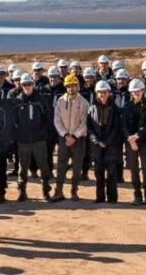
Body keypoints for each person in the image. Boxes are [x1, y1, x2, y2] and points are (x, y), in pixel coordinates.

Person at [11, 73, 52, 202]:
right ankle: (22, 191)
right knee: (22, 168)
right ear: (21, 86)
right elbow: (14, 120)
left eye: (29, 84)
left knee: (43, 167)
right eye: (24, 84)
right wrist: (18, 135)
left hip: (39, 140)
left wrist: (43, 132)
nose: (27, 87)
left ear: (33, 85)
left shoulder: (40, 99)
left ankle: (46, 191)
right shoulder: (17, 100)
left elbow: (47, 117)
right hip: (23, 141)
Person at [52, 73, 90, 201]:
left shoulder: (84, 103)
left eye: (73, 85)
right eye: (68, 86)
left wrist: (74, 136)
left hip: (78, 140)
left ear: (78, 86)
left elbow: (85, 123)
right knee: (61, 165)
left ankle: (74, 191)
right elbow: (57, 120)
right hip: (64, 139)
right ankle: (58, 192)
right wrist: (66, 135)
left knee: (77, 166)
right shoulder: (60, 101)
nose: (71, 88)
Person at [87, 80, 122, 204]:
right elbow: (89, 128)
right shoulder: (91, 109)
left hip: (111, 146)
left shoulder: (115, 109)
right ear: (96, 94)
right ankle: (100, 197)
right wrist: (96, 141)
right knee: (98, 173)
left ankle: (112, 198)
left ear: (109, 93)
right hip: (97, 147)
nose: (102, 95)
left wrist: (106, 142)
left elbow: (116, 128)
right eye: (100, 92)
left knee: (112, 173)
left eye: (105, 92)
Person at [122, 78, 146, 205]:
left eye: (138, 91)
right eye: (134, 91)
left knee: (145, 168)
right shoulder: (126, 107)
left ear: (143, 91)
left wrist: (137, 136)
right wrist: (130, 138)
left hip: (144, 141)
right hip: (130, 142)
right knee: (133, 168)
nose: (136, 93)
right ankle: (137, 195)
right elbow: (123, 125)